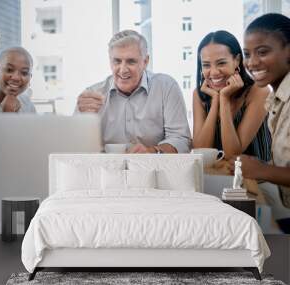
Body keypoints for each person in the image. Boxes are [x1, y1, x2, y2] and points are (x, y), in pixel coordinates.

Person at [76, 30, 191, 153]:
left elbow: (181, 139)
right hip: (105, 170)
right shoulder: (93, 95)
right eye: (117, 61)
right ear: (110, 61)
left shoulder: (166, 87)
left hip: (154, 169)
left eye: (131, 61)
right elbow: (75, 146)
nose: (123, 69)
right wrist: (82, 119)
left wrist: (152, 151)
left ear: (145, 61)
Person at [233, 13, 290, 232]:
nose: (252, 62)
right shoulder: (276, 98)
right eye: (247, 54)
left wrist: (260, 170)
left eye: (263, 52)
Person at [192, 30, 271, 161]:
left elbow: (233, 154)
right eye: (206, 65)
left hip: (259, 177)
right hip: (218, 175)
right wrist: (216, 101)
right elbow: (201, 152)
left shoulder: (259, 91)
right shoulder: (200, 94)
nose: (214, 72)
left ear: (237, 60)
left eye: (221, 63)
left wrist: (224, 99)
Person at [0, 47, 36, 113]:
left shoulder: (28, 105)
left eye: (24, 73)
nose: (16, 78)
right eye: (9, 70)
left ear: (30, 78)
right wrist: (8, 112)